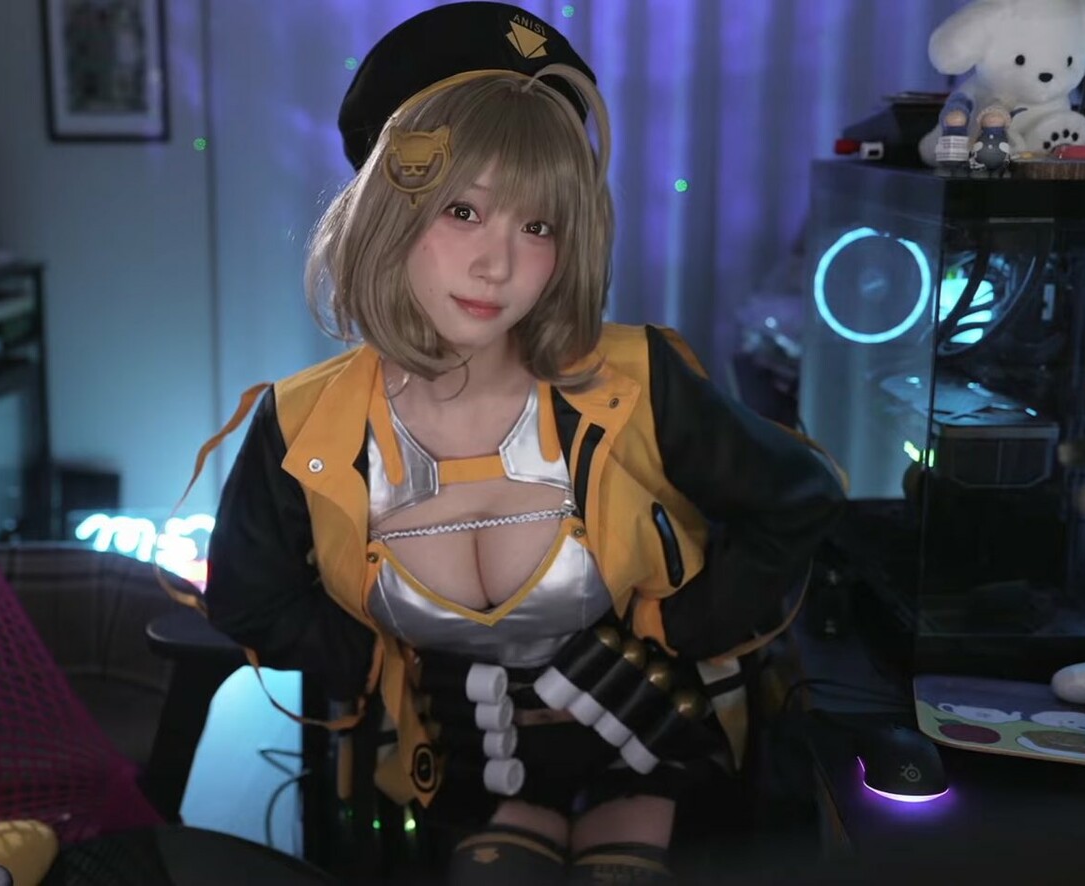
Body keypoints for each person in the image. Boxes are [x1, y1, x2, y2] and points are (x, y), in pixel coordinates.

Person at [181, 4, 845, 883]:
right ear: (389, 210)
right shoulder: (304, 426)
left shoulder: (636, 383)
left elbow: (798, 496)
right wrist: (379, 661)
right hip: (465, 772)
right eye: (463, 210)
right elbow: (249, 598)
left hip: (655, 748)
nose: (497, 264)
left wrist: (691, 621)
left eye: (538, 227)